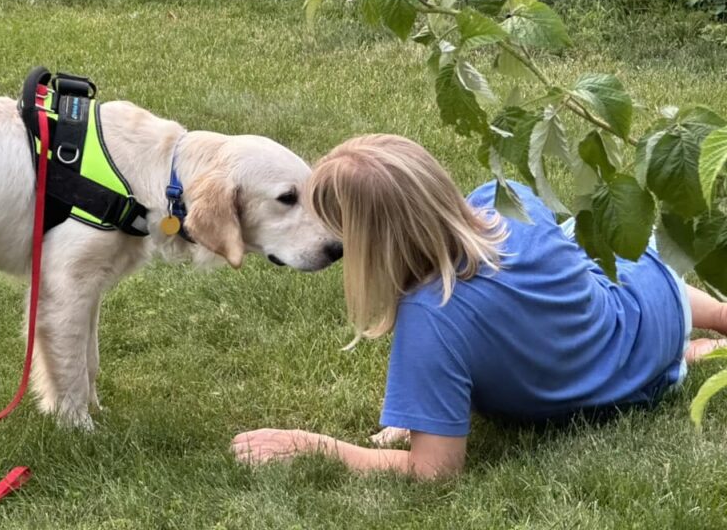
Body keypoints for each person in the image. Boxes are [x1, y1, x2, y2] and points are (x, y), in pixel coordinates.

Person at [231, 134, 727, 479]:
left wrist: (313, 445)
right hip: (653, 311)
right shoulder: (505, 202)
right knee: (577, 244)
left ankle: (685, 357)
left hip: (624, 391)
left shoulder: (432, 318)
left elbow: (434, 471)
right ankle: (706, 328)